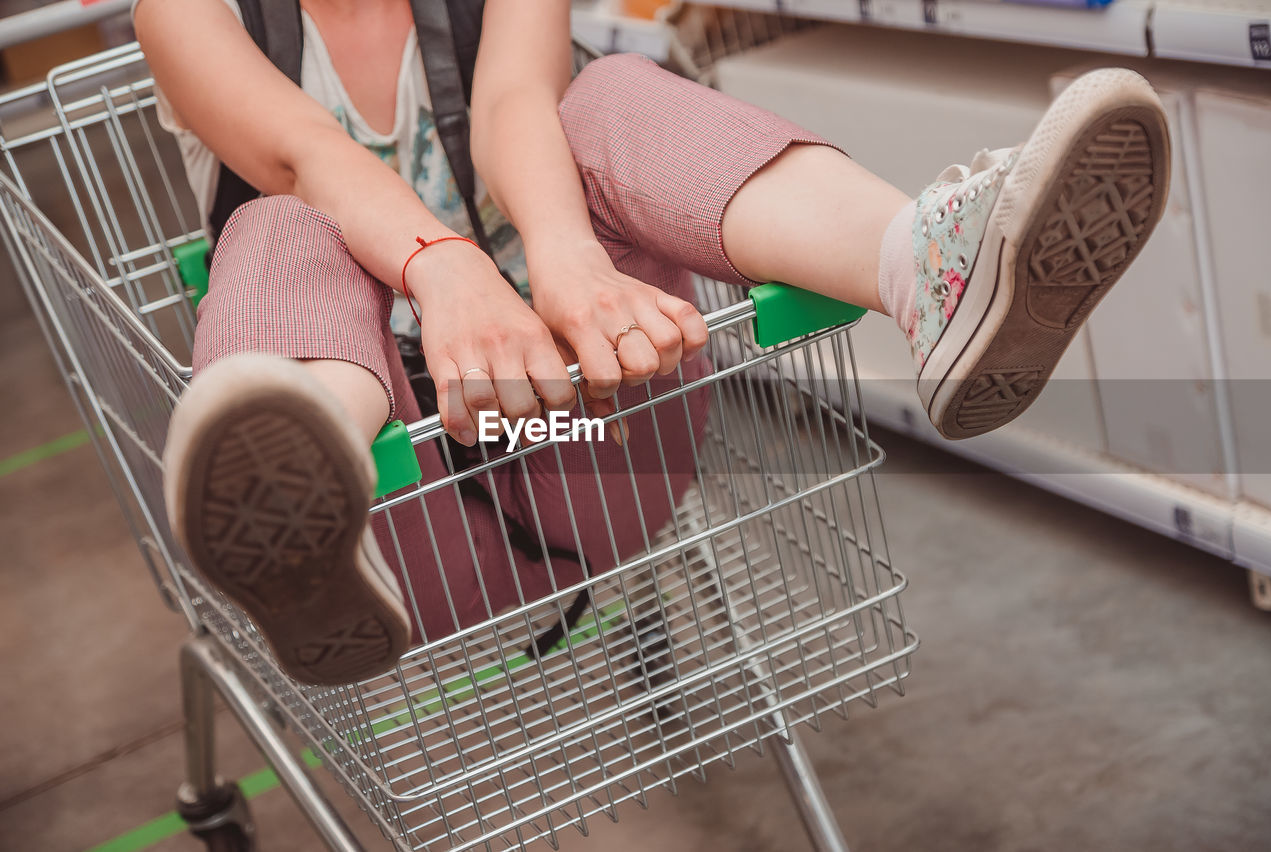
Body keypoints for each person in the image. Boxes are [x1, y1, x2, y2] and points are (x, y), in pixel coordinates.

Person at [136, 0, 1171, 685]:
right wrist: (448, 270)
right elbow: (299, 151)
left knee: (605, 97)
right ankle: (304, 473)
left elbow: (509, 104)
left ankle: (929, 272)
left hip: (600, 428)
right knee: (274, 220)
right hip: (397, 532)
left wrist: (564, 260)